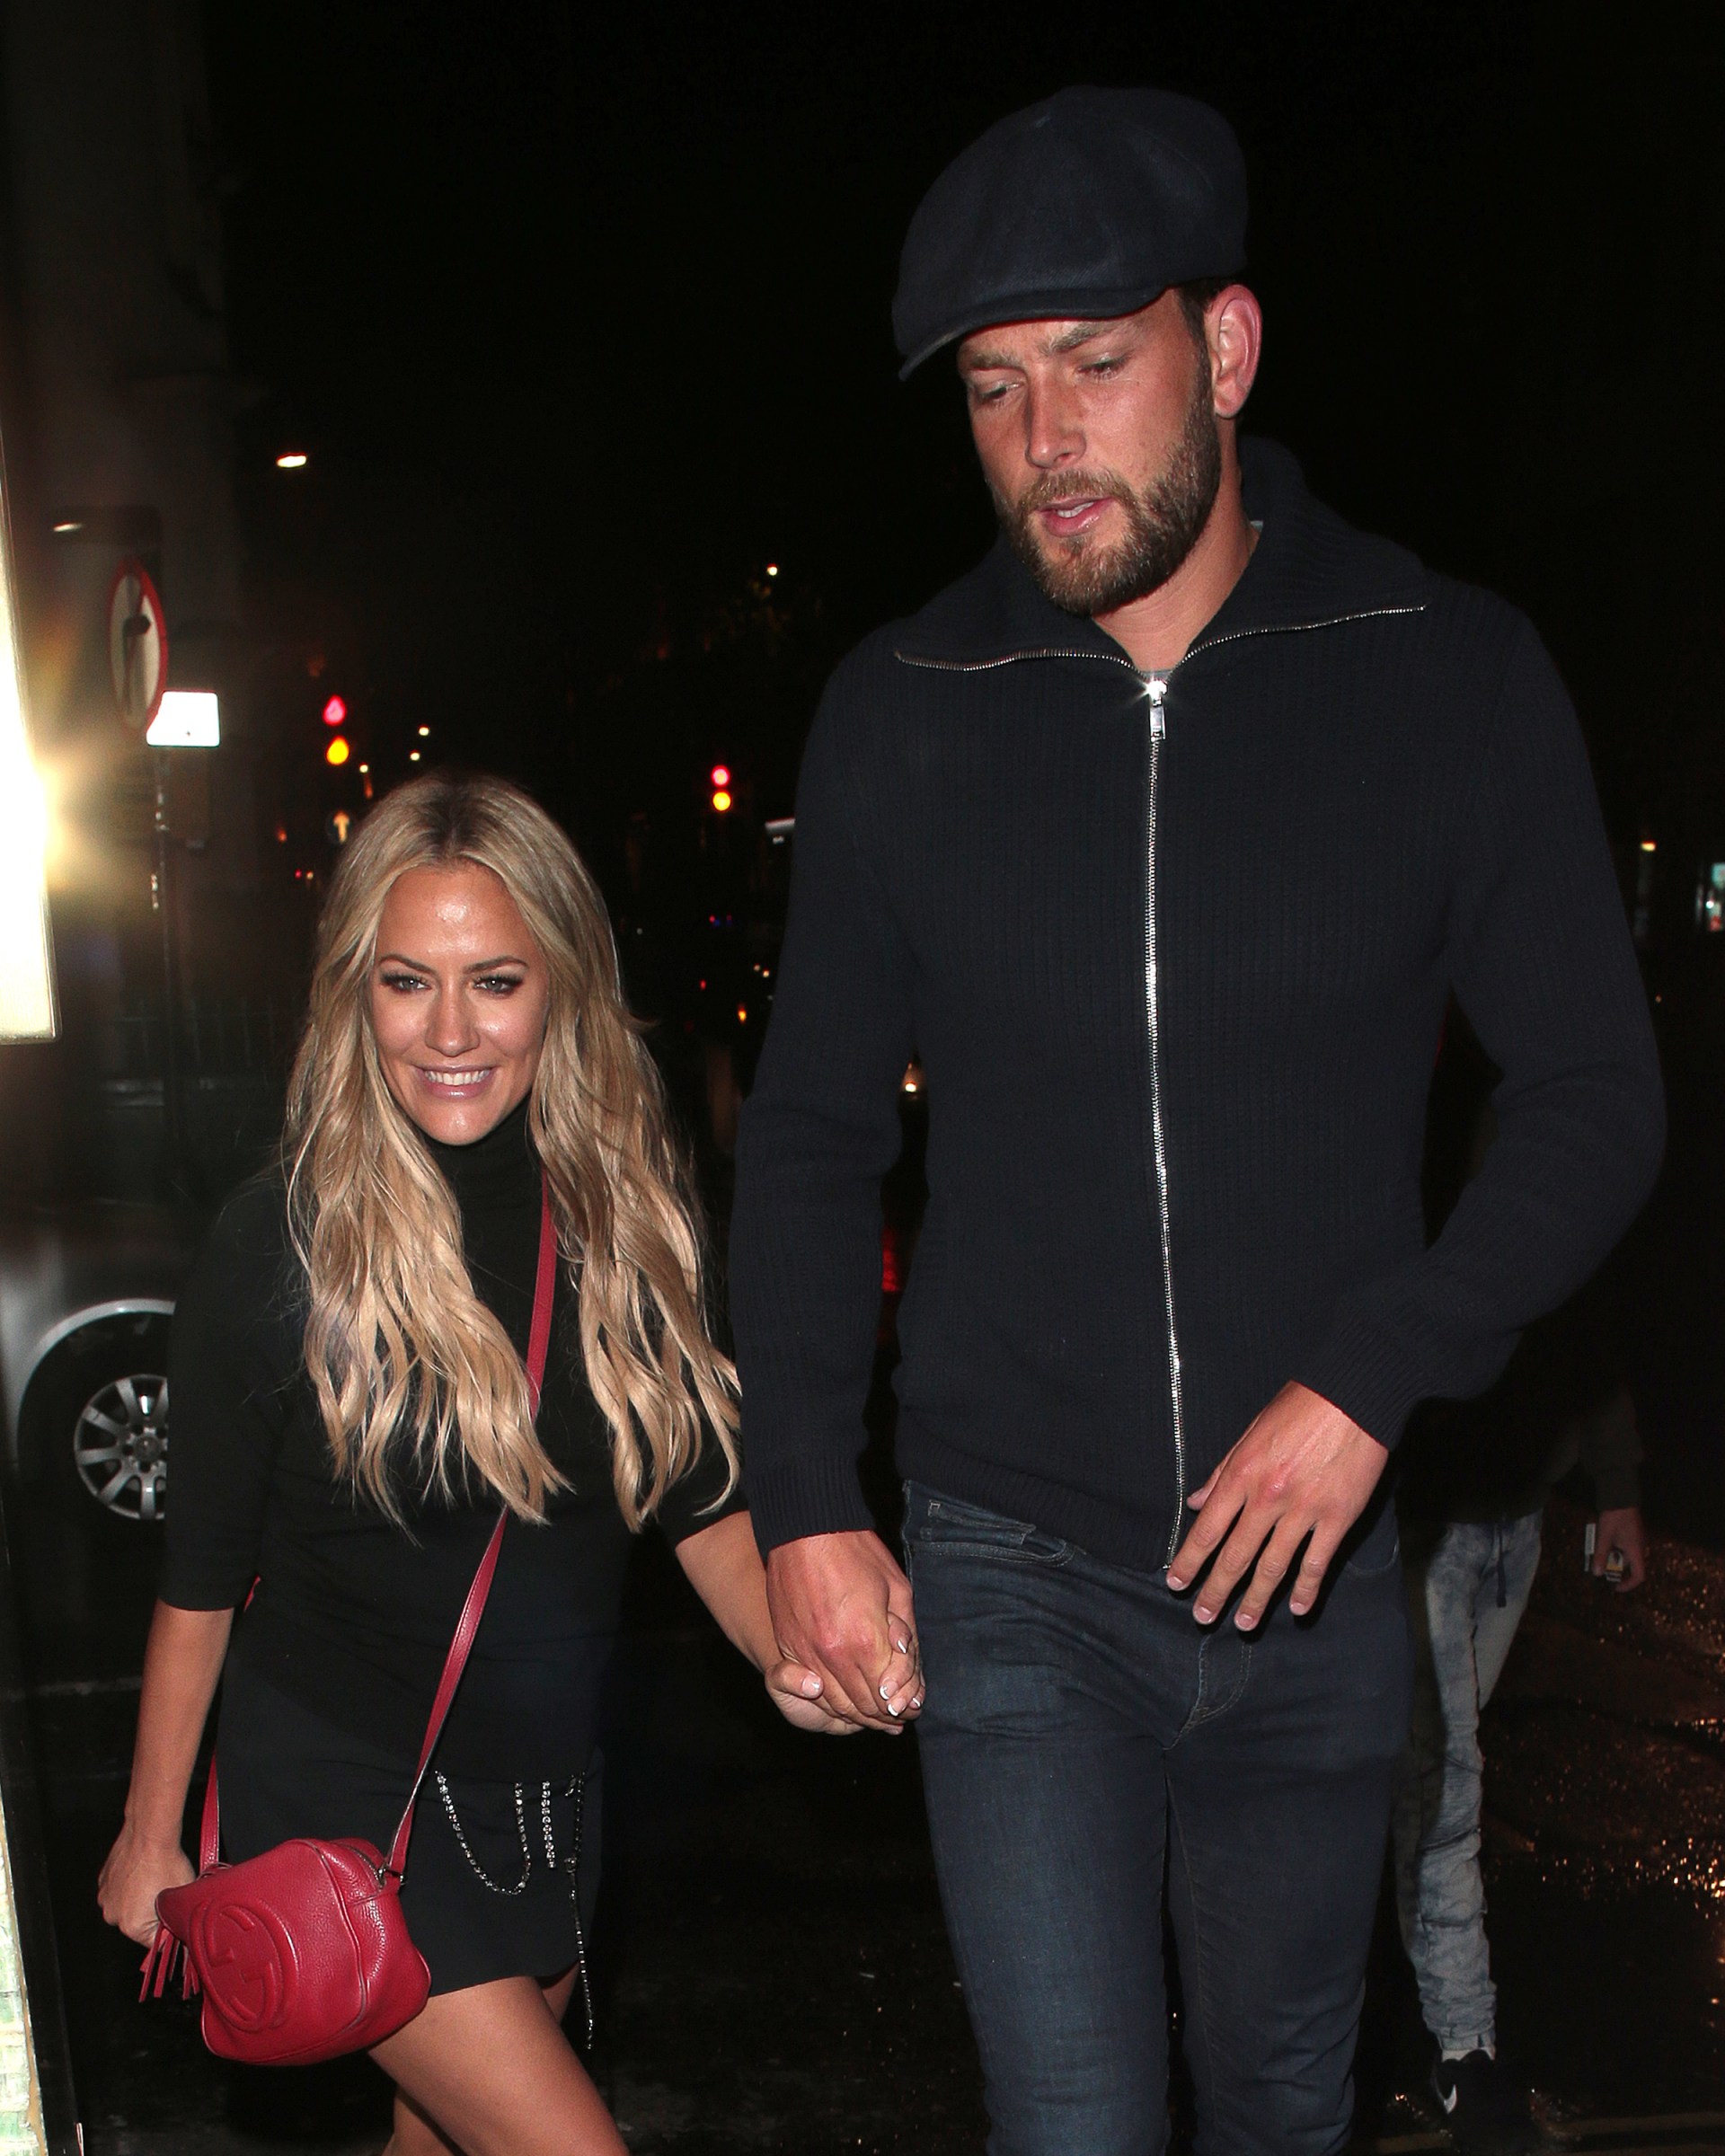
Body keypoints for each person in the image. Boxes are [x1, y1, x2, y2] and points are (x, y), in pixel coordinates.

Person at [728, 85, 1664, 2155]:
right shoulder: (901, 709)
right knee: (1072, 2122)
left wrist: (1376, 1369)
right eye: (993, 389)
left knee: (1278, 2109)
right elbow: (806, 1134)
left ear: (1225, 350)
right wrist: (801, 1494)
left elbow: (1597, 1093)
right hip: (1012, 1560)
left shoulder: (1442, 670)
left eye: (1094, 363)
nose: (1044, 438)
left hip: (1309, 1573)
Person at [98, 773, 921, 2156]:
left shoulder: (619, 1217)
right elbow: (201, 1577)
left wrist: (796, 1650)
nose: (450, 1032)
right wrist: (149, 1830)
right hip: (349, 1807)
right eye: (407, 983)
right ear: (355, 994)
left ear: (562, 988)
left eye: (494, 981)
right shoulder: (283, 1244)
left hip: (540, 1806)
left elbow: (697, 1496)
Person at [1396, 1047, 1650, 2152]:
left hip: (1519, 1521)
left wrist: (1616, 1486)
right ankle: (1466, 2052)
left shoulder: (1553, 1102)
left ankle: (1402, 1977)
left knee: (1426, 1782)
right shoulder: (1428, 1105)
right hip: (1430, 1522)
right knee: (1446, 1785)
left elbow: (1585, 1314)